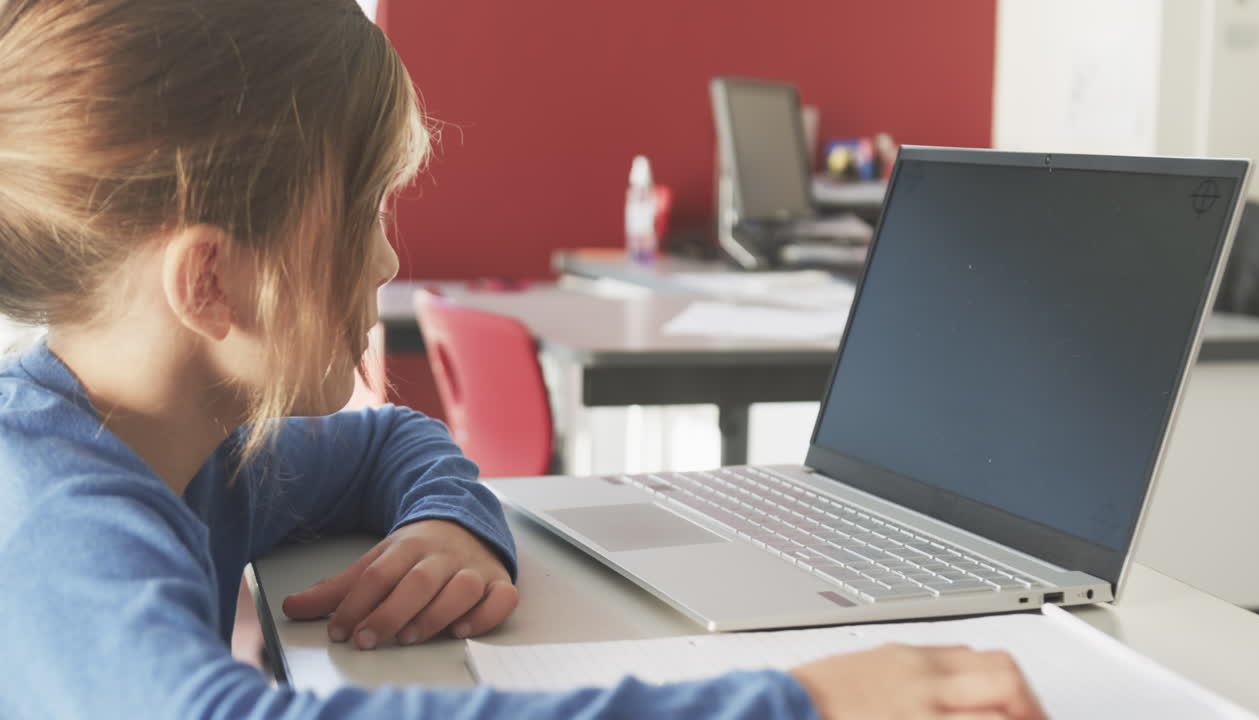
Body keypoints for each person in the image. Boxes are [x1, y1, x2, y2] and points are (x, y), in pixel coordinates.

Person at [0, 1, 1046, 718]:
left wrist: (450, 522)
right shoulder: (50, 521)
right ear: (211, 284)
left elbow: (386, 443)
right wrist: (804, 701)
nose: (386, 259)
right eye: (362, 216)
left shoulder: (187, 447)